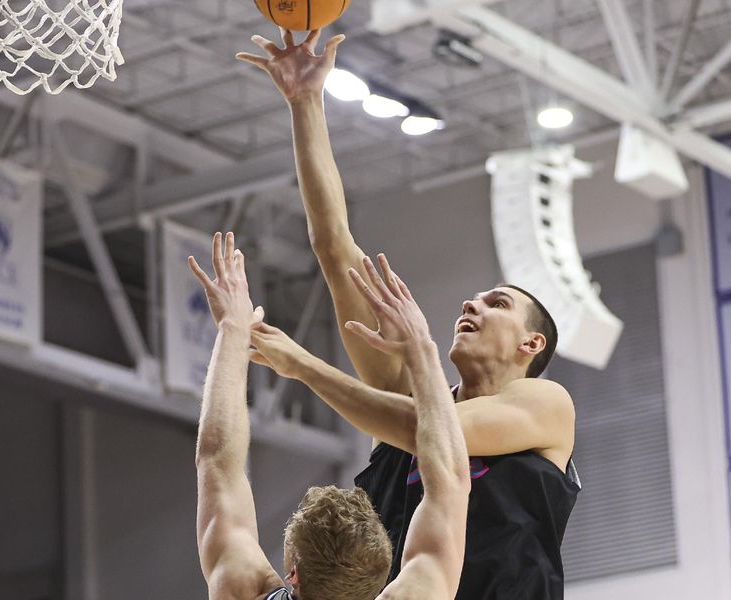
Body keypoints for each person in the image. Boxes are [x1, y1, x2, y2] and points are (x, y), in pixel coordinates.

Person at [237, 28, 581, 599]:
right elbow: (333, 243)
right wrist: (305, 104)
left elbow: (430, 435)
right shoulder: (408, 401)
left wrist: (305, 366)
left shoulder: (546, 405)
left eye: (498, 304)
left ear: (531, 346)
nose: (471, 304)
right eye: (474, 298)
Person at [190, 231, 471, 600]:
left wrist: (232, 329)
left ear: (293, 573)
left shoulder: (243, 589)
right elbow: (451, 479)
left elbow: (216, 460)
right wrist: (421, 348)